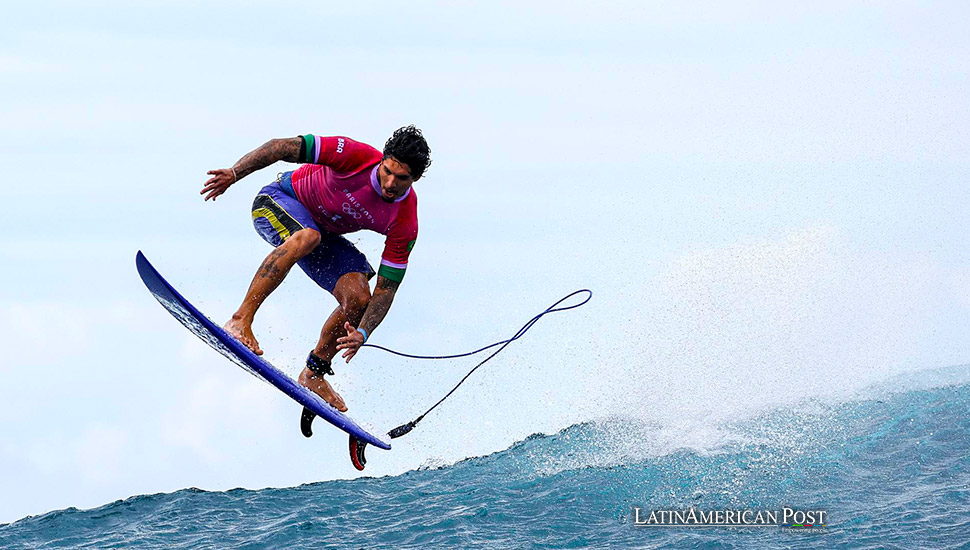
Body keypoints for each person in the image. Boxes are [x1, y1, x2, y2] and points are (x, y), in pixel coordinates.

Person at [201, 126, 431, 413]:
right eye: (387, 171)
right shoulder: (354, 155)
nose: (390, 183)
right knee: (308, 236)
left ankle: (314, 372)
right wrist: (234, 174)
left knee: (360, 299)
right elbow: (280, 147)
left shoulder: (405, 220)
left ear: (416, 179)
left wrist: (364, 332)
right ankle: (240, 320)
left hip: (322, 235)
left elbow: (387, 288)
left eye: (402, 178)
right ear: (382, 160)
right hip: (277, 202)